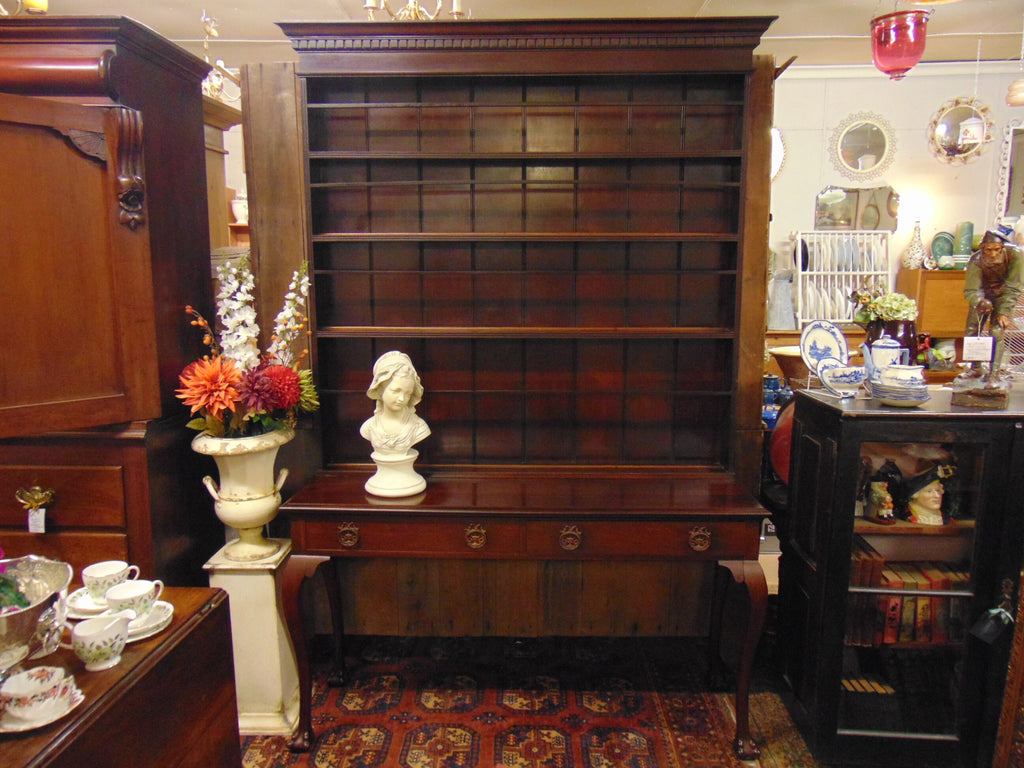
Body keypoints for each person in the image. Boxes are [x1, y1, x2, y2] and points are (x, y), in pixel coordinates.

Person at [963, 230, 1023, 375]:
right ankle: (975, 368)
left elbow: (1013, 286)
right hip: (983, 295)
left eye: (997, 249)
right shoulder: (976, 260)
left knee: (996, 331)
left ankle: (994, 372)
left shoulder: (1015, 255)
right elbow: (971, 290)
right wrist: (980, 302)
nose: (993, 254)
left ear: (1002, 247)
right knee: (973, 329)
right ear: (982, 248)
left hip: (1004, 294)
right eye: (988, 250)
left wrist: (1004, 312)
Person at [360, 351, 431, 456]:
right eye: (396, 391)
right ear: (380, 389)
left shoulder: (419, 427)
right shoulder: (369, 427)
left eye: (408, 393)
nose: (402, 398)